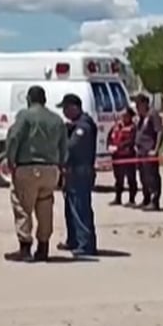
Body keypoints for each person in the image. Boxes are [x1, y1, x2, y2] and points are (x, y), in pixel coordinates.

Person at [2, 85, 67, 262]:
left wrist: (10, 160)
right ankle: (43, 248)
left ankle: (25, 248)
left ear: (29, 99)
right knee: (45, 207)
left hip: (28, 168)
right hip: (51, 169)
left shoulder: (25, 116)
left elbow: (14, 138)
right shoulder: (57, 119)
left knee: (23, 206)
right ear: (45, 99)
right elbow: (63, 146)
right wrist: (60, 166)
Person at [58, 93, 98, 257]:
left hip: (81, 172)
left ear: (74, 107)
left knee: (80, 208)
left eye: (66, 108)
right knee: (71, 208)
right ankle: (73, 240)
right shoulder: (76, 125)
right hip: (72, 173)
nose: (65, 112)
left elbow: (72, 147)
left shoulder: (84, 126)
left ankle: (86, 244)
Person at [134, 94, 163, 211]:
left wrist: (156, 149)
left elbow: (159, 132)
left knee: (152, 177)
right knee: (143, 177)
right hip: (140, 152)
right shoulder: (141, 117)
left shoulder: (153, 115)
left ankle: (154, 200)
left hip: (149, 151)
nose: (137, 108)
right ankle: (146, 198)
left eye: (138, 105)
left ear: (145, 104)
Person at [107, 107, 137, 206]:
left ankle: (132, 199)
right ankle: (118, 198)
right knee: (118, 178)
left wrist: (119, 147)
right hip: (116, 156)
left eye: (125, 115)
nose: (123, 117)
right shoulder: (116, 126)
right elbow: (109, 137)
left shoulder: (133, 127)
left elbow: (132, 141)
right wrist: (109, 146)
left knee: (131, 178)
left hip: (128, 156)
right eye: (122, 115)